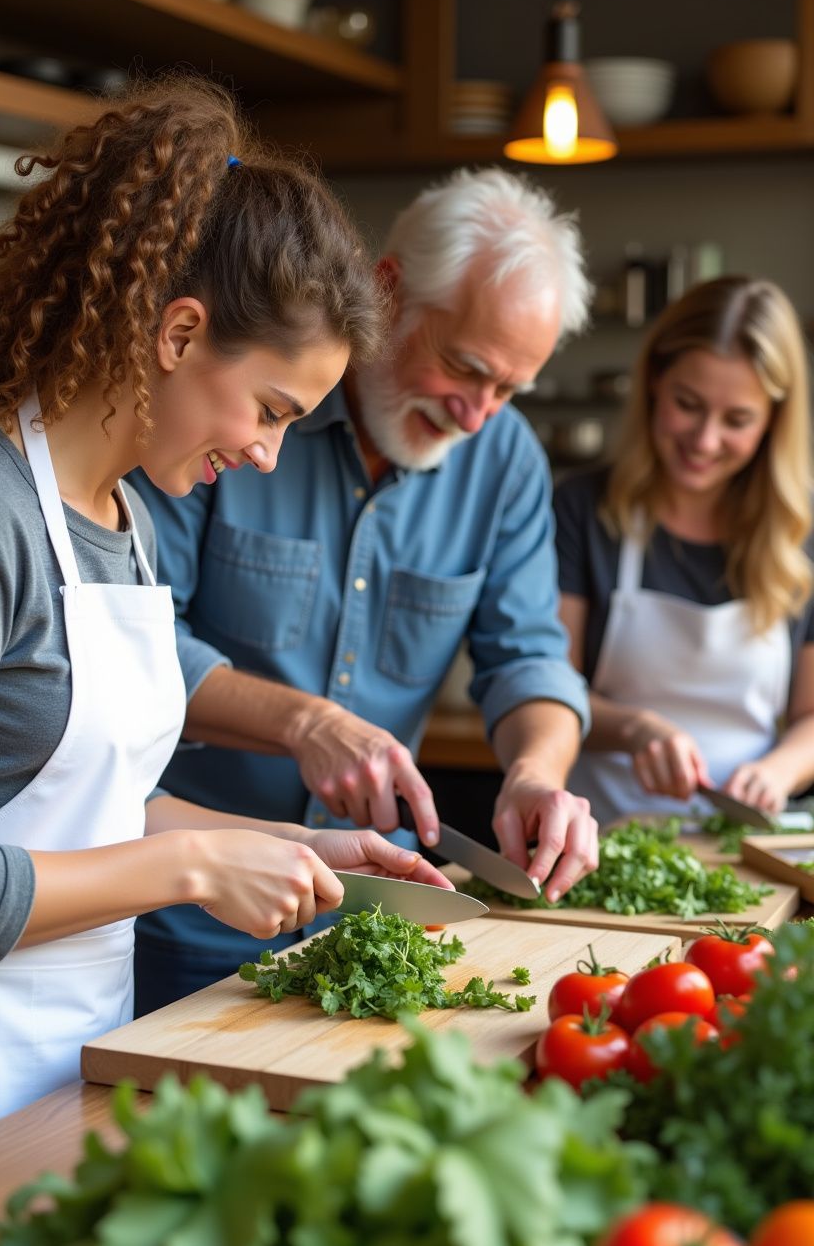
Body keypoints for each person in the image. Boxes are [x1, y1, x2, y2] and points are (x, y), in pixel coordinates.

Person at [0, 76, 451, 1118]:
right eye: (271, 409)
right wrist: (197, 869)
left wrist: (292, 849)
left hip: (74, 1075)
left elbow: (90, 809)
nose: (264, 452)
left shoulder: (132, 523)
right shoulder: (7, 520)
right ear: (178, 332)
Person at [130, 166, 600, 1015]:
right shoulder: (231, 418)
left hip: (364, 911)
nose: (478, 415)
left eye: (509, 390)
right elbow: (138, 645)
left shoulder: (504, 461)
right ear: (388, 290)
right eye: (465, 367)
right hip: (179, 904)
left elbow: (529, 655)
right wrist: (305, 724)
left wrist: (536, 771)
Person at [555, 275, 814, 826]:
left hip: (745, 841)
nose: (704, 440)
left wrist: (779, 771)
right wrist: (635, 729)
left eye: (737, 420)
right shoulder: (581, 509)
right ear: (653, 384)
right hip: (600, 834)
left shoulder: (803, 531)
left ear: (773, 421)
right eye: (688, 404)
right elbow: (549, 684)